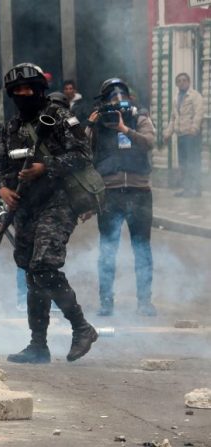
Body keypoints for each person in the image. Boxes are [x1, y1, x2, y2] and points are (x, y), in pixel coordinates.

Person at [0, 62, 97, 364]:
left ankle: (82, 327)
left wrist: (46, 167)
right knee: (30, 272)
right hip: (25, 205)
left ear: (40, 90)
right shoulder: (11, 128)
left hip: (59, 201)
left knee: (45, 266)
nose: (24, 94)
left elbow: (83, 154)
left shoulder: (59, 117)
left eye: (30, 89)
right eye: (18, 91)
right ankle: (38, 345)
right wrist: (1, 189)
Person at [87, 78, 157, 317]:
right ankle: (106, 302)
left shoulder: (140, 117)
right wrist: (92, 123)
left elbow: (149, 142)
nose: (118, 99)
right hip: (109, 194)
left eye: (122, 95)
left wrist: (125, 129)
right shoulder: (98, 121)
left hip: (139, 192)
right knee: (107, 251)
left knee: (142, 249)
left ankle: (144, 302)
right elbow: (81, 148)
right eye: (112, 97)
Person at [164, 73, 205, 197]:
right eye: (179, 81)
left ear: (189, 82)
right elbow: (173, 118)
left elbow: (199, 113)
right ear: (176, 84)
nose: (182, 83)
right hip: (181, 135)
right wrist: (168, 133)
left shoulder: (195, 96)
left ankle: (195, 189)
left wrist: (194, 128)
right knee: (183, 164)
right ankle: (187, 189)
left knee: (193, 162)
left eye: (184, 80)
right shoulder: (176, 98)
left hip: (191, 135)